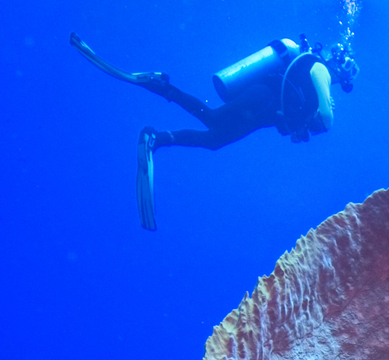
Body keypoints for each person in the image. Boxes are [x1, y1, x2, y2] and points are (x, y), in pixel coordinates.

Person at [70, 33, 359, 230]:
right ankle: (159, 86)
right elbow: (327, 117)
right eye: (347, 76)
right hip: (263, 97)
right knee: (213, 119)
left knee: (214, 140)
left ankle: (156, 138)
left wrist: (301, 127)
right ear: (342, 68)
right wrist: (319, 122)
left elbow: (300, 119)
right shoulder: (320, 68)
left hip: (264, 112)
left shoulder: (315, 76)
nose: (341, 81)